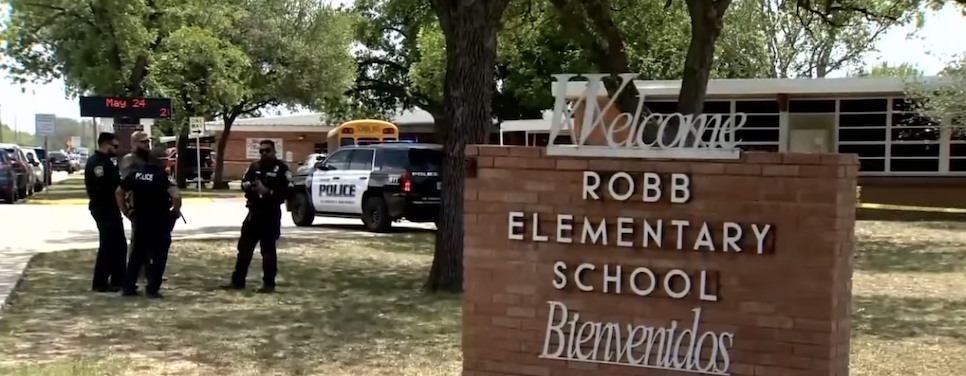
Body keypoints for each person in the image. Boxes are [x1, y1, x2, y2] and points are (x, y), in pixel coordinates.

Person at [222, 140, 291, 293]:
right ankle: (238, 281)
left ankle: (268, 284)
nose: (264, 153)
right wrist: (246, 185)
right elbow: (244, 182)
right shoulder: (254, 167)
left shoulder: (281, 169)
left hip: (270, 214)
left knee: (268, 251)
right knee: (244, 249)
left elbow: (286, 192)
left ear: (274, 151)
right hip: (254, 213)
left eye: (267, 150)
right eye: (261, 151)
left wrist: (266, 191)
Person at [115, 147, 182, 298]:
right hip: (160, 220)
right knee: (159, 255)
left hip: (139, 219)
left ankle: (128, 287)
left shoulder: (135, 174)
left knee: (137, 254)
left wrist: (125, 211)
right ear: (161, 161)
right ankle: (152, 289)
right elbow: (176, 196)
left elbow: (119, 192)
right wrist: (175, 212)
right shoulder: (163, 176)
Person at [84, 132, 127, 293]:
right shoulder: (98, 164)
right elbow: (102, 188)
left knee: (119, 245)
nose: (116, 149)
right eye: (114, 146)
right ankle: (100, 282)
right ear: (105, 145)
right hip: (103, 207)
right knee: (108, 245)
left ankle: (118, 279)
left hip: (111, 207)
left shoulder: (107, 162)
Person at [119, 131, 152, 279]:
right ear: (134, 143)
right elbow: (128, 182)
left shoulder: (148, 158)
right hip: (136, 203)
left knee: (149, 240)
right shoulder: (129, 160)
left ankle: (147, 269)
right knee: (138, 239)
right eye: (143, 142)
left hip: (150, 203)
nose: (146, 144)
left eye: (147, 142)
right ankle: (134, 270)